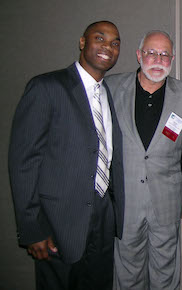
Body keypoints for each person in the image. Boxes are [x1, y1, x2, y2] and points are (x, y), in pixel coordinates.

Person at [8, 21, 124, 289]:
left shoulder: (108, 94)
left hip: (103, 218)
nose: (108, 47)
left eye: (115, 43)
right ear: (82, 42)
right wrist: (31, 228)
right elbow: (23, 162)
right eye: (100, 38)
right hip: (58, 223)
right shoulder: (47, 87)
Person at [105, 30, 182, 289]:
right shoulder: (111, 88)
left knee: (166, 274)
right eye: (151, 53)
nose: (158, 59)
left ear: (172, 58)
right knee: (127, 273)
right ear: (139, 55)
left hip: (167, 202)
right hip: (126, 202)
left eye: (164, 54)